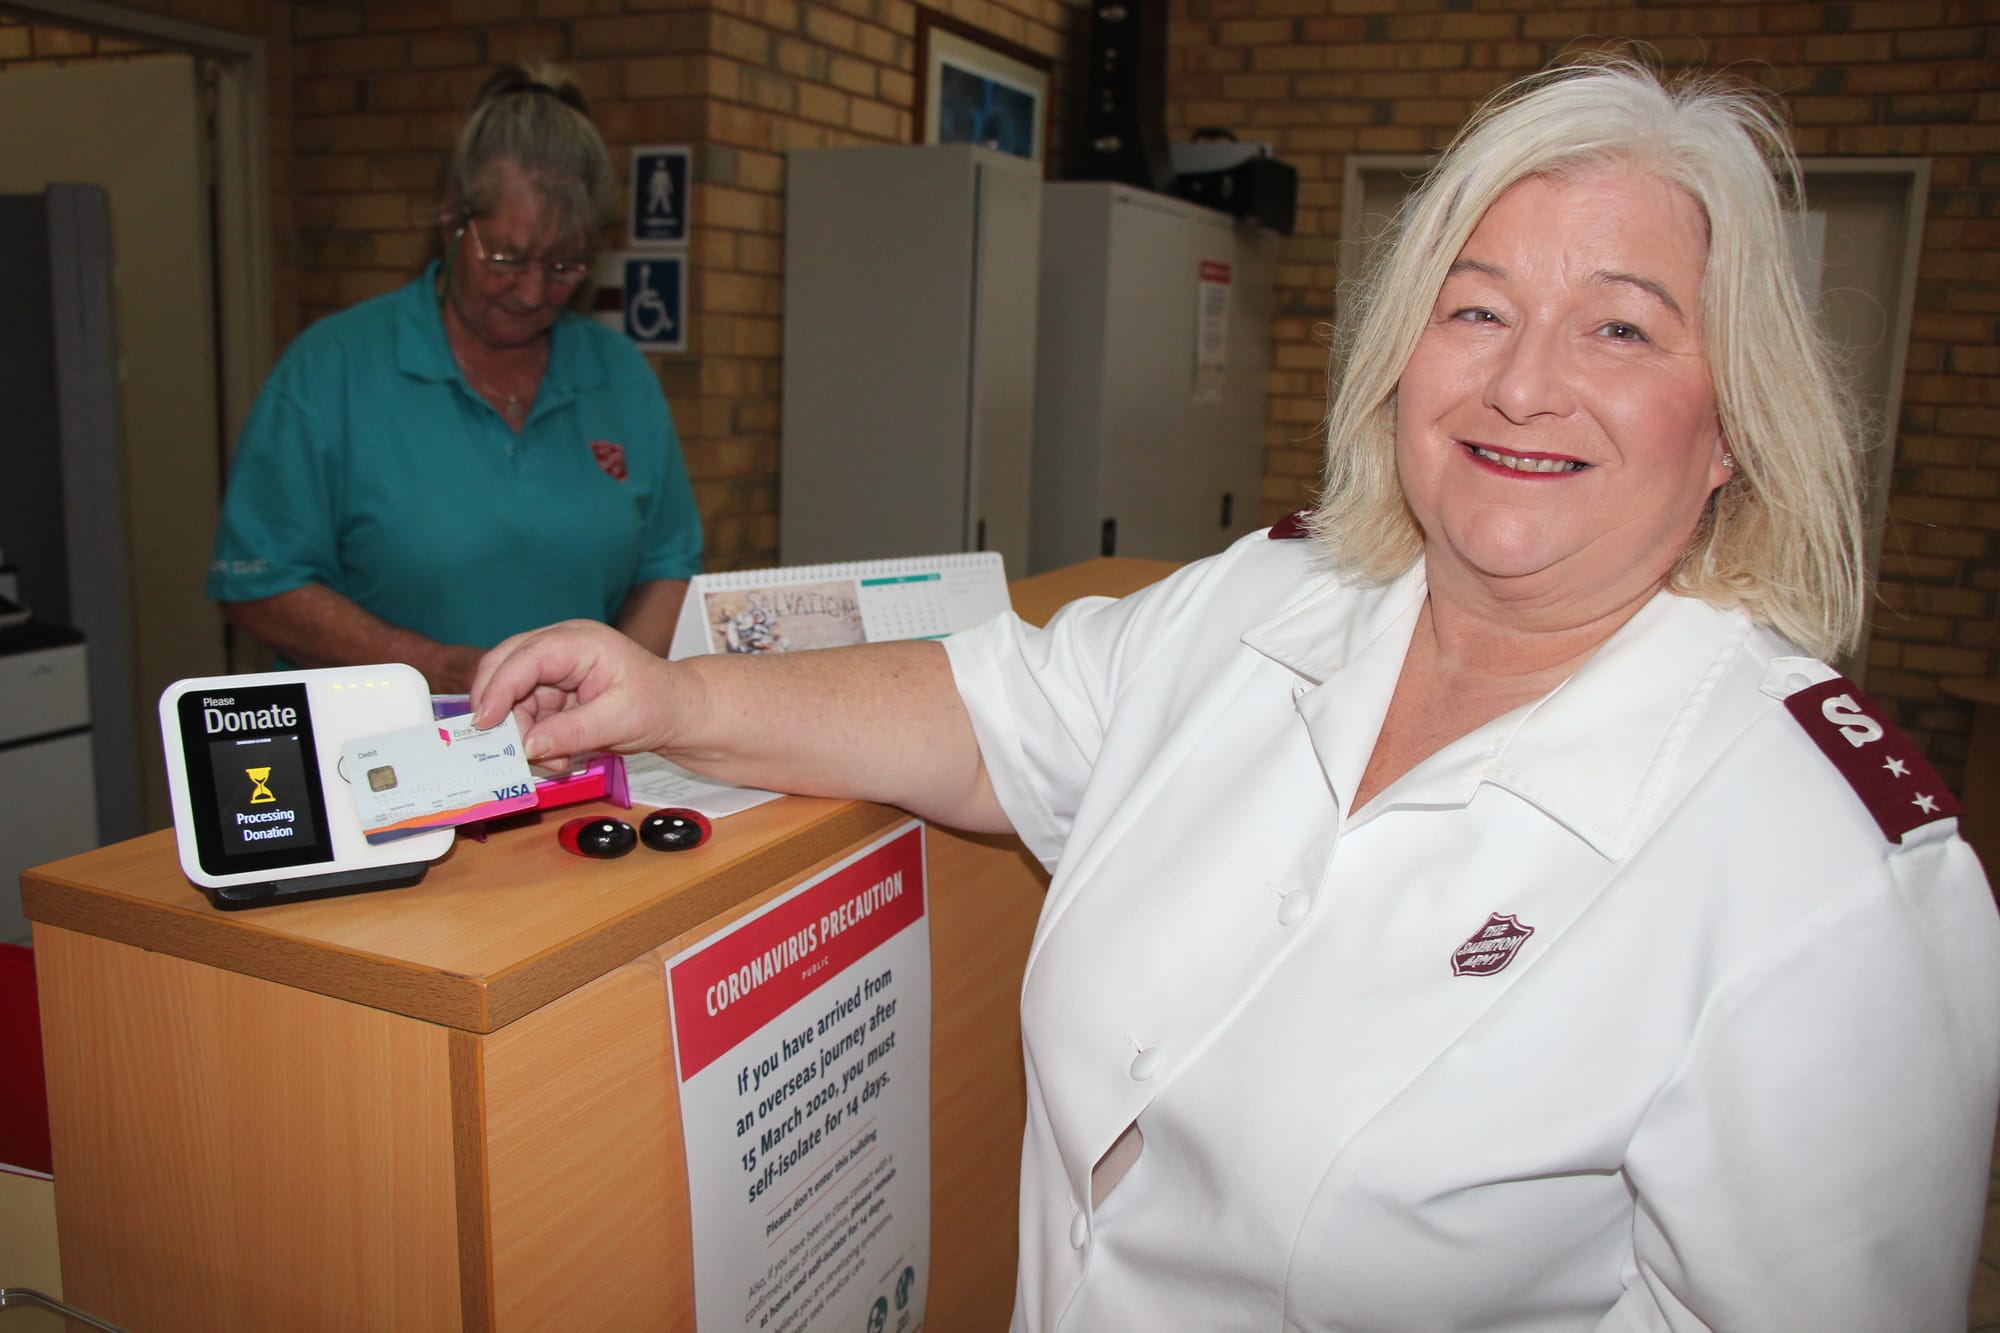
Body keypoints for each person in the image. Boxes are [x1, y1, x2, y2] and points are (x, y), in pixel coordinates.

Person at [471, 58, 2000, 1331]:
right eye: (1474, 310)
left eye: (1621, 326)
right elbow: (985, 712)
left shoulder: (1829, 874)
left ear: (1734, 424)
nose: (1524, 383)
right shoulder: (1275, 601)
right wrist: (667, 699)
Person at [207, 61, 702, 692]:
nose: (529, 291)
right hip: (383, 755)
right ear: (452, 223)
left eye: (562, 265)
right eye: (504, 257)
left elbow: (668, 566)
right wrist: (439, 670)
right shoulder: (333, 368)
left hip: (575, 753)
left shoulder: (617, 374)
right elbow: (260, 587)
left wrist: (608, 692)